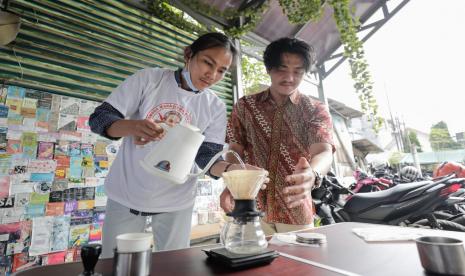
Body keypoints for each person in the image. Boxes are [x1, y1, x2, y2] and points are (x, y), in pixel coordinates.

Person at [89, 32, 258, 258]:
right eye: (208, 62)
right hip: (127, 194)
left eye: (221, 71)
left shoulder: (214, 106)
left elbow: (206, 156)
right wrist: (131, 127)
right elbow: (100, 118)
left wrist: (231, 171)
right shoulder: (150, 80)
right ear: (188, 54)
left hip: (176, 202)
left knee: (174, 266)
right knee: (117, 264)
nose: (212, 75)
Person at [221, 37, 335, 235]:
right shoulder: (245, 106)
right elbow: (235, 150)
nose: (289, 77)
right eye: (282, 69)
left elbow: (324, 152)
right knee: (252, 261)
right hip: (250, 204)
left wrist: (313, 174)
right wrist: (232, 184)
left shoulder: (315, 109)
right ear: (269, 69)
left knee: (298, 264)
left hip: (295, 206)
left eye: (298, 71)